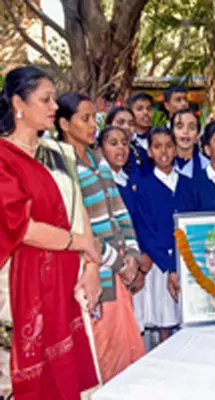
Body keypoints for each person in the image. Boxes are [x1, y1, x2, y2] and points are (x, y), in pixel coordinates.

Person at [0, 66, 101, 399]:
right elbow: (21, 227)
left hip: (67, 282)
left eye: (54, 99)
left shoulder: (60, 153)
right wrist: (79, 243)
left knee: (69, 378)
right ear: (18, 104)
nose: (54, 107)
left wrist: (91, 267)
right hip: (17, 284)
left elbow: (78, 209)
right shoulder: (4, 158)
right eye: (45, 100)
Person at [56, 92, 146, 382]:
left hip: (119, 273)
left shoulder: (97, 158)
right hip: (93, 276)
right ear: (64, 124)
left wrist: (132, 256)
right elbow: (78, 228)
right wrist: (118, 262)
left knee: (128, 357)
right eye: (84, 118)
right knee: (103, 360)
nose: (93, 124)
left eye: (94, 117)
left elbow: (120, 212)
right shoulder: (61, 165)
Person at [134, 127, 197, 341]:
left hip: (188, 262)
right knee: (165, 322)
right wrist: (170, 263)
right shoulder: (143, 187)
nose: (164, 151)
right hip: (161, 264)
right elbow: (146, 231)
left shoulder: (188, 185)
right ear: (149, 152)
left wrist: (184, 260)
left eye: (169, 146)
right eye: (157, 146)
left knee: (189, 318)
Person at [172, 108, 209, 179]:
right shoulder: (162, 164)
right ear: (172, 132)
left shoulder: (208, 167)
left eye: (191, 128)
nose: (185, 131)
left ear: (198, 135)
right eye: (180, 127)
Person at [128, 92, 154, 176]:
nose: (146, 112)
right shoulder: (126, 141)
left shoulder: (159, 137)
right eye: (139, 109)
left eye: (149, 109)